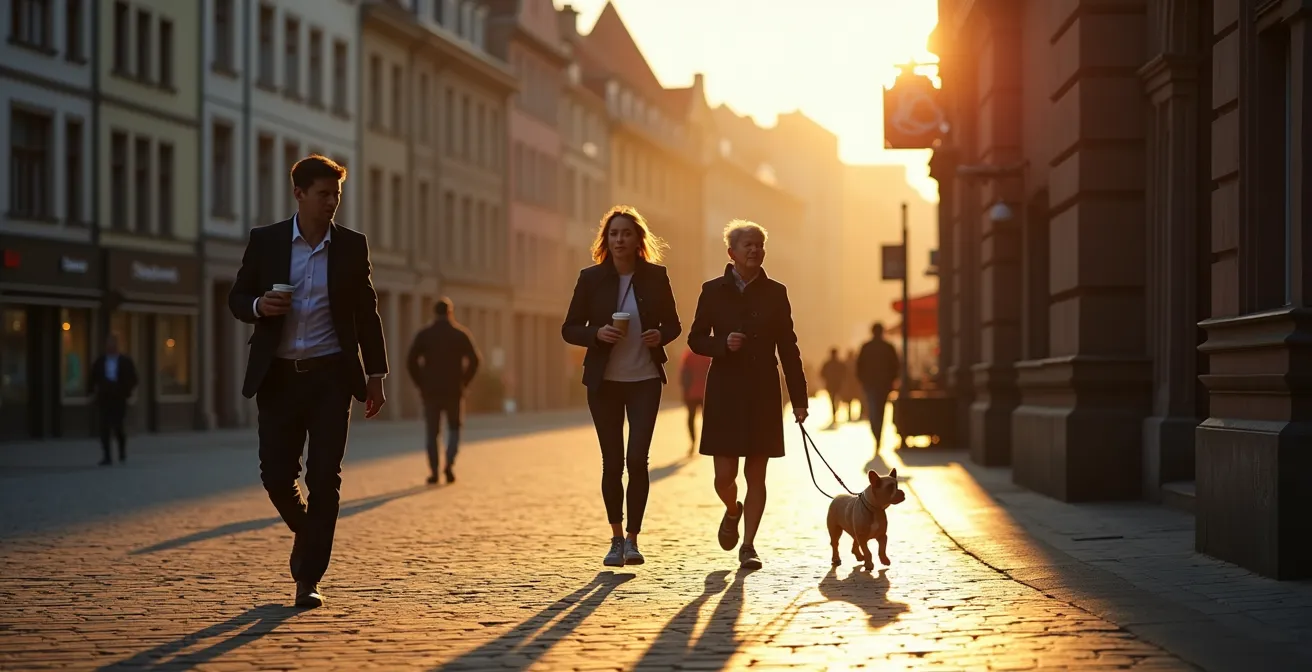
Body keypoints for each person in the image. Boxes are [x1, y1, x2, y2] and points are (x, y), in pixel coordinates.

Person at [228, 154, 389, 609]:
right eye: (323, 194)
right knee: (276, 476)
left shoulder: (352, 247)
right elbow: (236, 297)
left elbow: (366, 315)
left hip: (330, 378)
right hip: (278, 378)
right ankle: (311, 532)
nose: (332, 202)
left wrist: (376, 376)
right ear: (299, 193)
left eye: (336, 194)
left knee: (324, 477)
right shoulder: (267, 242)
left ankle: (307, 577)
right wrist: (260, 306)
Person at [562, 205, 681, 568]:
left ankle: (633, 539)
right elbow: (569, 328)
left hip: (645, 379)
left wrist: (660, 334)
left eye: (626, 233)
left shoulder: (656, 277)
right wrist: (596, 334)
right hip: (604, 384)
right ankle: (615, 539)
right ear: (606, 239)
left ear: (637, 239)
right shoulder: (590, 278)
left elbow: (674, 325)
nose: (619, 240)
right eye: (613, 234)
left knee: (637, 460)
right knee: (612, 462)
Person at [689, 219, 808, 570]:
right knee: (724, 476)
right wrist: (722, 345)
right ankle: (731, 510)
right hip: (725, 389)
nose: (755, 250)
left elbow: (789, 347)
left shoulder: (776, 292)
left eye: (759, 244)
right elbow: (695, 339)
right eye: (748, 245)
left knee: (758, 474)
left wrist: (800, 399)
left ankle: (750, 546)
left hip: (762, 391)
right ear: (732, 253)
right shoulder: (712, 291)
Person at [406, 298, 481, 485]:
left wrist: (420, 382)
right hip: (454, 390)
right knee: (454, 428)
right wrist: (465, 381)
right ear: (450, 312)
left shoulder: (425, 335)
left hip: (430, 391)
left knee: (432, 432)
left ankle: (433, 472)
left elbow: (411, 360)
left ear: (434, 313)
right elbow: (475, 360)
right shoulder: (460, 334)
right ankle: (449, 464)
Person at [89, 334, 138, 466]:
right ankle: (107, 456)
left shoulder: (125, 361)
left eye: (113, 345)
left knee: (118, 426)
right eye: (108, 345)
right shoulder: (100, 361)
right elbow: (93, 377)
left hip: (119, 398)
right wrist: (92, 392)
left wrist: (126, 391)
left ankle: (122, 452)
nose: (110, 348)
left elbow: (134, 378)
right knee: (104, 427)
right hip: (105, 398)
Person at [857, 322, 900, 450]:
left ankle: (876, 434)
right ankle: (878, 435)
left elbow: (859, 366)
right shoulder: (888, 347)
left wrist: (863, 381)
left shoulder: (866, 347)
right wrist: (892, 380)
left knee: (873, 410)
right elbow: (896, 366)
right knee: (880, 411)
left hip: (871, 384)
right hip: (883, 384)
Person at [680, 348, 712, 450]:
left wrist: (685, 391)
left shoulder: (688, 356)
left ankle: (693, 441)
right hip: (705, 393)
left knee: (691, 418)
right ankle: (706, 442)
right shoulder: (708, 356)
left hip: (691, 392)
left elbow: (683, 374)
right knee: (707, 420)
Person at [820, 348, 847, 426]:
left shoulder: (828, 364)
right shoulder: (839, 364)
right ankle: (835, 413)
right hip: (837, 385)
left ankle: (834, 413)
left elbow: (822, 373)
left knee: (833, 400)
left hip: (832, 385)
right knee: (836, 400)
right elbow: (844, 373)